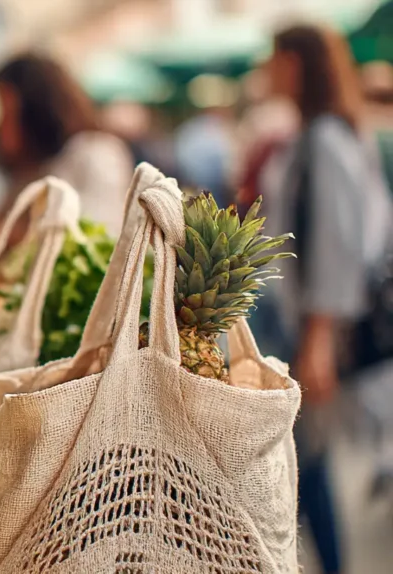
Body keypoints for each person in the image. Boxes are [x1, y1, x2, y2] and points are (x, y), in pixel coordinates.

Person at [254, 24, 393, 574]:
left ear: (296, 64)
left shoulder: (326, 138)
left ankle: (332, 566)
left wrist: (318, 338)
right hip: (302, 323)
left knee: (307, 464)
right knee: (307, 464)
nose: (268, 71)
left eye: (275, 59)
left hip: (311, 327)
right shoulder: (322, 133)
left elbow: (339, 244)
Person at [0, 53, 132, 238]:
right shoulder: (30, 170)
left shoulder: (96, 153)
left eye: (6, 112)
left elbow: (99, 232)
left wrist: (16, 237)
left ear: (35, 110)